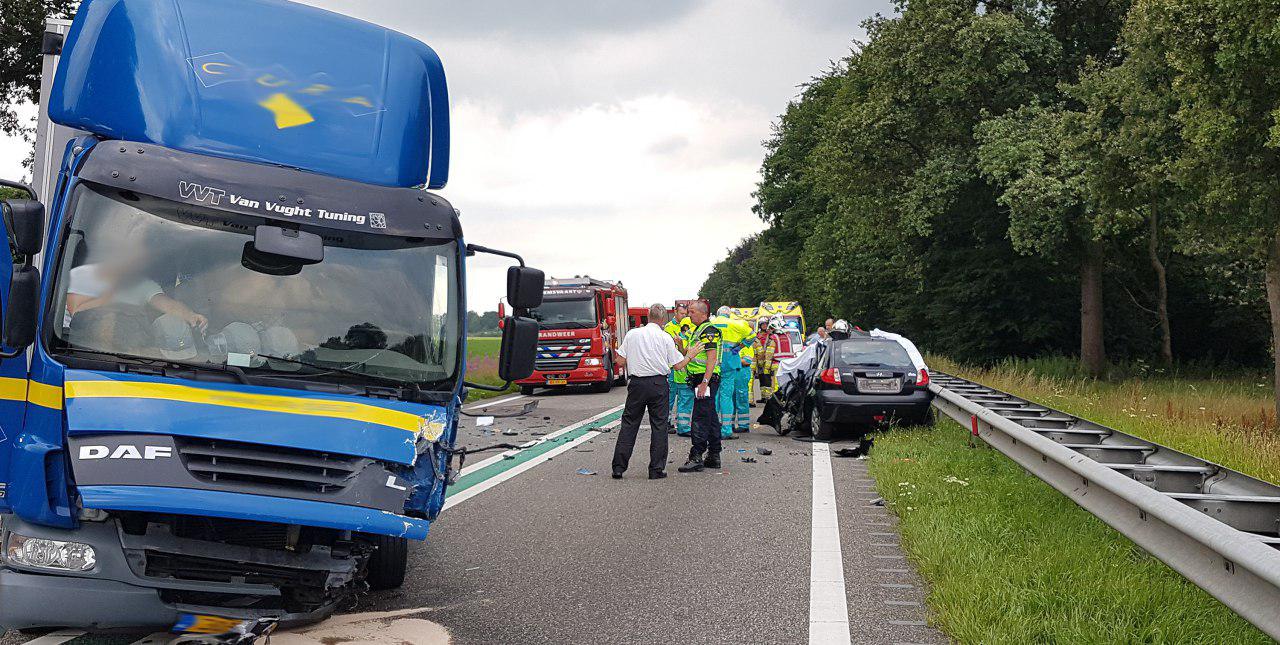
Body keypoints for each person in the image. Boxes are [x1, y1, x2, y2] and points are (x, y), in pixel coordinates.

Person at [611, 304, 703, 479]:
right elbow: (678, 365)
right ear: (663, 319)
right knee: (659, 426)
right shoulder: (665, 337)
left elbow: (620, 362)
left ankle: (618, 468)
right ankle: (656, 469)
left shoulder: (632, 334)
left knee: (629, 425)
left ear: (647, 315)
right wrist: (689, 355)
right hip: (659, 384)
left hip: (637, 384)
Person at [678, 302, 722, 473]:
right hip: (701, 379)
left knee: (700, 417)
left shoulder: (709, 330)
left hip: (706, 380)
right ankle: (714, 455)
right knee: (710, 417)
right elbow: (690, 354)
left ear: (704, 314)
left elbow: (711, 359)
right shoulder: (697, 330)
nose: (689, 315)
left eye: (692, 312)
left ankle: (696, 456)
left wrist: (704, 382)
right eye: (689, 312)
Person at [711, 306, 755, 438]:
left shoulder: (710, 323)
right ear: (728, 315)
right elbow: (752, 335)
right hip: (729, 364)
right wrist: (739, 347)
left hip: (712, 365)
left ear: (718, 314)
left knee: (714, 397)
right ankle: (726, 429)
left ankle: (712, 427)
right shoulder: (736, 324)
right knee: (726, 397)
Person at [663, 303, 694, 436]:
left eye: (685, 314)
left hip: (683, 364)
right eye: (682, 314)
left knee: (682, 397)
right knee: (670, 396)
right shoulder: (670, 327)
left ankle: (678, 422)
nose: (684, 316)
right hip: (673, 366)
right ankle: (666, 422)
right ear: (675, 312)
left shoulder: (687, 327)